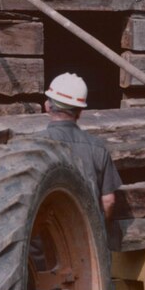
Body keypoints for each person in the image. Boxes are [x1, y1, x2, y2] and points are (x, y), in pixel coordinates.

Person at [41, 72, 122, 219]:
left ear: (47, 106)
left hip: (45, 237)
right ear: (79, 112)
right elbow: (108, 201)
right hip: (87, 237)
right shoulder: (98, 148)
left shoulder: (34, 143)